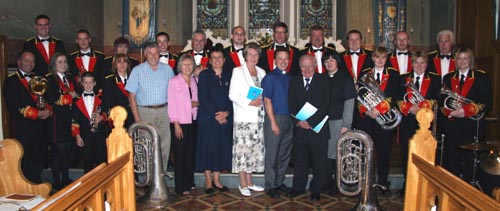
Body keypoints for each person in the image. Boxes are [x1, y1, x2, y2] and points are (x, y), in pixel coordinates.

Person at [441, 48, 492, 183]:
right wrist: (451, 112)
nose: (462, 61)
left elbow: (486, 102)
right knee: (452, 160)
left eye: (465, 58)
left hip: (472, 125)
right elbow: (441, 103)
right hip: (453, 126)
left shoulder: (481, 77)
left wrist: (464, 111)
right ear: (455, 61)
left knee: (471, 162)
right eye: (459, 58)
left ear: (470, 60)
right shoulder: (448, 78)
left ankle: (469, 190)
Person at [125, 43, 175, 174]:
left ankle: (160, 179)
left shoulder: (168, 69)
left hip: (164, 111)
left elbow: (174, 92)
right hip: (145, 112)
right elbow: (131, 96)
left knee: (164, 146)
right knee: (147, 146)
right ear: (145, 55)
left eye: (156, 53)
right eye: (150, 54)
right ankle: (148, 179)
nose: (153, 56)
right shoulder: (138, 70)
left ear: (160, 54)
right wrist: (138, 120)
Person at [356, 47, 400, 196]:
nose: (380, 61)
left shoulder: (393, 75)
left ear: (386, 59)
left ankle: (382, 183)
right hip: (368, 120)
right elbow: (360, 96)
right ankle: (366, 183)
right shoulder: (365, 74)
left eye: (383, 58)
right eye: (377, 57)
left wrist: (379, 110)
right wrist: (367, 111)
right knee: (366, 152)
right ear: (373, 58)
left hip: (384, 120)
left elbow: (394, 96)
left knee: (383, 153)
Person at [4, 51, 53, 183]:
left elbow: (46, 99)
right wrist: (37, 114)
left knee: (38, 156)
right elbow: (15, 104)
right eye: (27, 61)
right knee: (24, 158)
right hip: (23, 127)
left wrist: (47, 110)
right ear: (19, 62)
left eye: (32, 61)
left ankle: (36, 185)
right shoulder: (11, 80)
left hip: (39, 126)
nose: (30, 64)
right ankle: (26, 187)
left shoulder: (38, 78)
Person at [287, 54, 331, 201]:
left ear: (315, 66)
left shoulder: (324, 81)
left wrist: (311, 122)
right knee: (300, 161)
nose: (306, 69)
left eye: (310, 66)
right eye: (303, 66)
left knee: (319, 162)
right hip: (300, 129)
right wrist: (297, 122)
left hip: (318, 129)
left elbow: (326, 104)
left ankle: (316, 189)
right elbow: (291, 104)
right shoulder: (294, 81)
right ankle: (298, 187)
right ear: (299, 67)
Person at [397, 51, 441, 195]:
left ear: (427, 64)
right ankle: (407, 184)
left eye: (422, 62)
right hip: (407, 121)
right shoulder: (403, 78)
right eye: (416, 62)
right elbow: (398, 99)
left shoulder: (435, 79)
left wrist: (421, 107)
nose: (419, 65)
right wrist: (410, 108)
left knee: (425, 154)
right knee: (407, 153)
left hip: (426, 123)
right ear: (412, 64)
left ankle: (424, 185)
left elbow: (436, 99)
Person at [229, 42, 266, 197]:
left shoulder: (262, 72)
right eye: (250, 54)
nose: (253, 57)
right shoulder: (237, 71)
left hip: (258, 119)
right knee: (243, 153)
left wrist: (262, 101)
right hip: (244, 119)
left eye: (256, 54)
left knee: (253, 153)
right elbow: (232, 94)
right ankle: (242, 183)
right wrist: (250, 102)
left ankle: (250, 182)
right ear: (245, 55)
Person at [196, 47, 232, 194]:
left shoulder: (230, 75)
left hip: (224, 119)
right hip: (208, 118)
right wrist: (217, 114)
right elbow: (202, 97)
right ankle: (208, 181)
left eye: (220, 57)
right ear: (209, 61)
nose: (217, 60)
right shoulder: (204, 75)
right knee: (207, 149)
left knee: (220, 150)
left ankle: (217, 180)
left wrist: (227, 113)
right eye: (214, 57)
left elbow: (233, 96)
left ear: (224, 60)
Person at [322, 51, 356, 196]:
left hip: (339, 121)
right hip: (323, 122)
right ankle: (326, 182)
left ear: (337, 61)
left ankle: (337, 185)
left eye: (332, 60)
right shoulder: (321, 78)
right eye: (326, 61)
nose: (329, 63)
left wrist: (346, 125)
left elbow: (349, 103)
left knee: (337, 153)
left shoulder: (345, 79)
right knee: (326, 154)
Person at [261, 48, 294, 198]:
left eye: (286, 58)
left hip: (289, 120)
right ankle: (270, 185)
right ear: (275, 61)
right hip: (275, 118)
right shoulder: (269, 78)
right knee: (272, 155)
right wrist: (273, 122)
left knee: (284, 155)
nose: (283, 61)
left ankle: (279, 182)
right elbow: (267, 100)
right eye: (280, 58)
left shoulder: (291, 77)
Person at [45, 53, 79, 189]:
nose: (63, 64)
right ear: (54, 64)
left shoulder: (69, 78)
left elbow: (77, 94)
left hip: (68, 117)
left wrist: (72, 96)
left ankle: (65, 178)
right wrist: (71, 97)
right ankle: (56, 181)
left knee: (66, 149)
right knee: (57, 151)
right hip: (56, 119)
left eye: (65, 62)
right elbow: (52, 98)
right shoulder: (49, 79)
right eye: (59, 62)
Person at [167, 54, 199, 195]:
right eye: (184, 64)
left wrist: (195, 104)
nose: (187, 67)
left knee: (190, 154)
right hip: (180, 122)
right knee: (180, 155)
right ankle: (180, 186)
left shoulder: (194, 81)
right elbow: (172, 104)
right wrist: (176, 124)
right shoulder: (174, 82)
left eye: (190, 64)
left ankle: (189, 181)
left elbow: (196, 100)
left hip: (193, 121)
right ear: (180, 66)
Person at [73, 72, 108, 173]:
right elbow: (74, 120)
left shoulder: (101, 98)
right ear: (82, 84)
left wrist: (102, 117)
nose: (88, 85)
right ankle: (89, 186)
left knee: (102, 162)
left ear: (95, 83)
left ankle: (102, 184)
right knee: (87, 162)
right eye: (86, 83)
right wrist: (77, 136)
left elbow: (108, 113)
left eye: (91, 82)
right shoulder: (76, 101)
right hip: (85, 135)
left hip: (100, 135)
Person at [102, 54, 134, 128]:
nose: (122, 64)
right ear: (115, 65)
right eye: (119, 62)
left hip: (133, 117)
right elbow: (108, 102)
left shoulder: (134, 78)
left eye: (125, 61)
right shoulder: (109, 81)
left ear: (128, 64)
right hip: (118, 118)